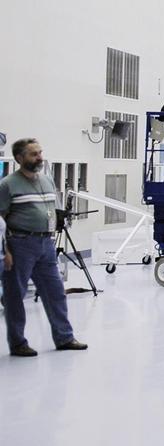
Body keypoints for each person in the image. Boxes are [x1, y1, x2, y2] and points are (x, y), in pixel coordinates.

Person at [0, 138, 87, 357]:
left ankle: (64, 337)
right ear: (20, 158)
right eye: (33, 154)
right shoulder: (8, 185)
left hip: (46, 244)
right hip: (19, 244)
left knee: (55, 292)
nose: (39, 157)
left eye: (40, 152)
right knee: (14, 295)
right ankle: (18, 342)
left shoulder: (47, 180)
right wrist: (5, 251)